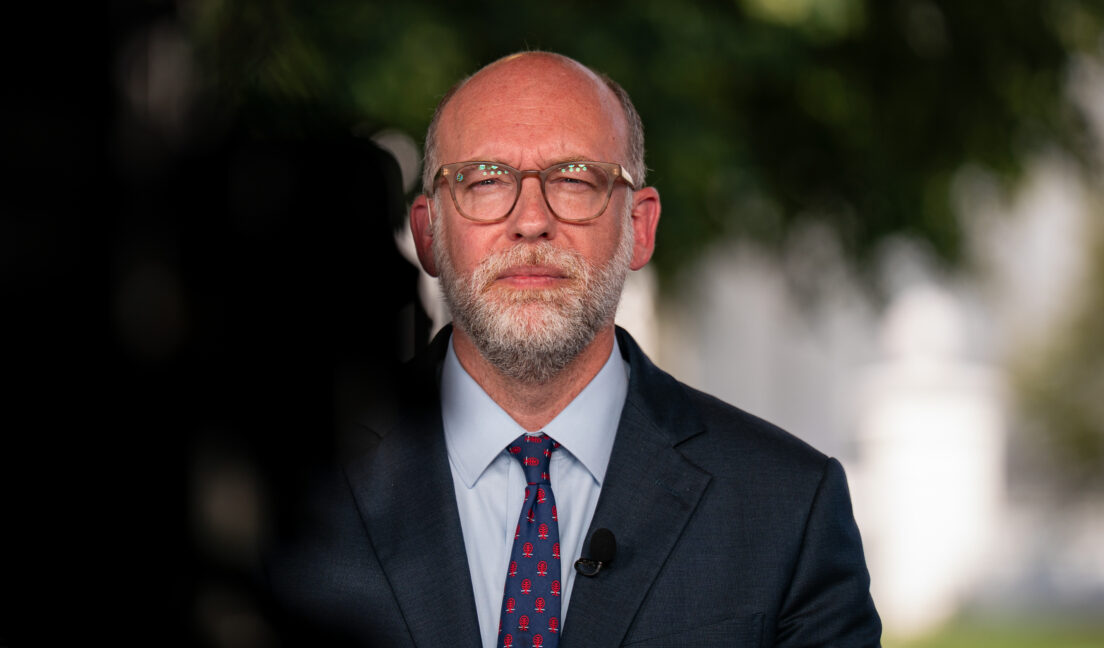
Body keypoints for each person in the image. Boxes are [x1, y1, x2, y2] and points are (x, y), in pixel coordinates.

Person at [264, 51, 882, 648]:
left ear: (638, 227)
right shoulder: (288, 484)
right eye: (486, 180)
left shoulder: (787, 507)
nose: (532, 220)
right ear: (428, 234)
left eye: (575, 179)